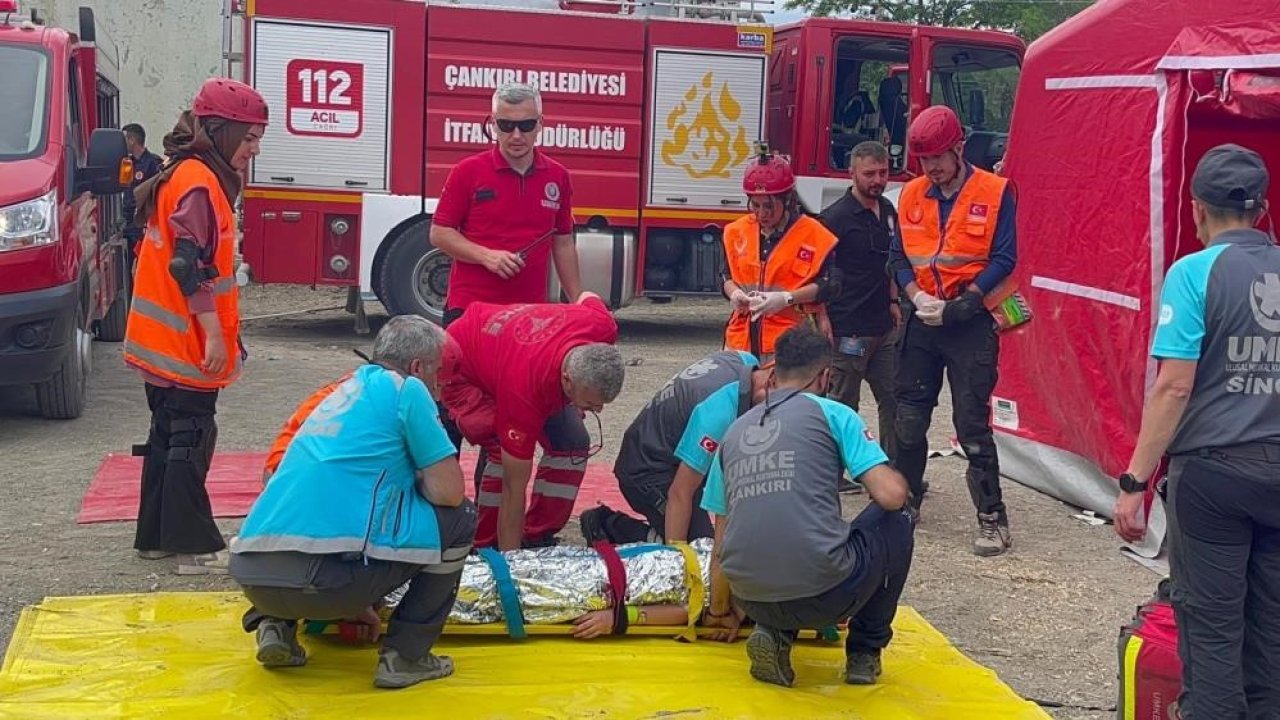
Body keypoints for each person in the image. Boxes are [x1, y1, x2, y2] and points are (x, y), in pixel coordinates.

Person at [1113, 144, 1279, 720]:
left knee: (1210, 636)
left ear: (1196, 209)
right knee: (1272, 641)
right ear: (1261, 209)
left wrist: (1134, 480)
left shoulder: (1193, 274)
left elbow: (1173, 387)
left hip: (1213, 479)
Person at [230, 315, 477, 689]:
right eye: (438, 375)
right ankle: (406, 656)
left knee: (303, 517)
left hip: (253, 575)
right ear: (417, 368)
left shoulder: (337, 391)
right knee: (459, 517)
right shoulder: (407, 390)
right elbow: (449, 492)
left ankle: (274, 627)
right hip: (327, 582)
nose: (440, 389)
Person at [699, 326, 915, 688]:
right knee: (897, 518)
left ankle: (775, 632)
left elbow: (721, 543)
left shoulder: (734, 433)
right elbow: (891, 497)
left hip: (752, 600)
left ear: (772, 370)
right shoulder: (834, 415)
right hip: (828, 595)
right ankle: (864, 652)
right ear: (825, 376)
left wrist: (720, 612)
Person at [123, 77, 267, 575]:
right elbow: (190, 267)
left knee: (166, 433)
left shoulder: (179, 171)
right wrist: (213, 336)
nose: (253, 150)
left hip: (159, 340)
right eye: (249, 139)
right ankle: (191, 546)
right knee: (189, 436)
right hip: (186, 342)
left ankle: (156, 538)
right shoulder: (201, 183)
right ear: (221, 132)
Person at [887, 104, 1018, 557]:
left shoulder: (997, 191)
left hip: (970, 320)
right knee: (908, 417)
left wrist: (966, 302)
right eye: (924, 161)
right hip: (924, 319)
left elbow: (1005, 257)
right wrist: (916, 296)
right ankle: (904, 503)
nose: (932, 169)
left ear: (959, 148)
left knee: (971, 423)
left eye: (939, 159)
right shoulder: (909, 196)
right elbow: (899, 257)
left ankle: (991, 518)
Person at [440, 293, 624, 550]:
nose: (599, 411)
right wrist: (511, 568)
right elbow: (513, 492)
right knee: (500, 451)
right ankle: (486, 546)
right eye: (592, 403)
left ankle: (538, 535)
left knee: (573, 443)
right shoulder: (523, 392)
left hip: (512, 352)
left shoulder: (601, 325)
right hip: (462, 364)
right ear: (567, 380)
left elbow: (587, 296)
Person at [430, 82, 584, 327]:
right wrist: (486, 256)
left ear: (540, 124)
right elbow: (439, 233)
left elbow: (563, 243)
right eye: (506, 125)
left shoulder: (558, 176)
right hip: (470, 311)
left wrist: (578, 302)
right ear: (493, 123)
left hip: (529, 313)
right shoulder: (467, 171)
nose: (516, 135)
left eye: (526, 125)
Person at [578, 350, 770, 545]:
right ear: (767, 387)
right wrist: (678, 558)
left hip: (665, 449)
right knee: (700, 549)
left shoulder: (742, 360)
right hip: (646, 473)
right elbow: (680, 493)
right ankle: (609, 525)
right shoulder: (717, 415)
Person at [818, 140, 901, 466]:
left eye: (883, 173)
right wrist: (822, 317)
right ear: (851, 173)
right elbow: (819, 274)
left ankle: (893, 470)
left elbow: (895, 260)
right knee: (842, 407)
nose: (877, 180)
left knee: (894, 400)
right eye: (869, 173)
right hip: (847, 330)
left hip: (883, 329)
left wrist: (894, 299)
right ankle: (833, 474)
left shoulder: (890, 213)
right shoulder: (833, 219)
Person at [721, 145, 840, 363]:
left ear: (787, 201)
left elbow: (829, 284)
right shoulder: (736, 232)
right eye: (754, 205)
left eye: (769, 206)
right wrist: (734, 294)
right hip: (741, 339)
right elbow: (726, 276)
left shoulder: (814, 234)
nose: (761, 213)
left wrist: (785, 298)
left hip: (790, 342)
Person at [122, 123, 164, 256]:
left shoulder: (154, 163)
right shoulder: (127, 163)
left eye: (124, 139)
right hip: (127, 222)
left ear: (132, 140)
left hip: (143, 224)